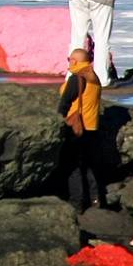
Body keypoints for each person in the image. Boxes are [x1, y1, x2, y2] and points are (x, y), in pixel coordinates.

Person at [56, 46, 113, 210]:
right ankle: (96, 199)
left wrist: (58, 120)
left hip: (76, 127)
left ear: (75, 61)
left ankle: (77, 202)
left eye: (70, 59)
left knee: (73, 166)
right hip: (92, 127)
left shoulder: (77, 78)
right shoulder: (94, 77)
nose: (69, 62)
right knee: (88, 165)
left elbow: (65, 102)